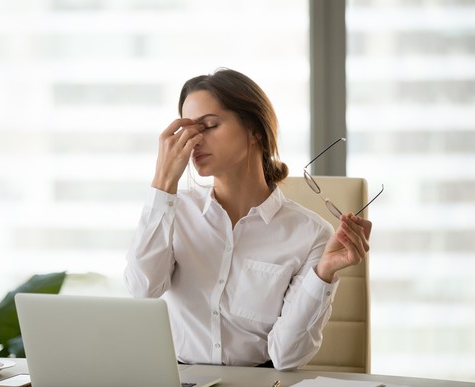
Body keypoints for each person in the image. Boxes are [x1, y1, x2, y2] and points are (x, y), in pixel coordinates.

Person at [124, 68, 372, 370]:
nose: (194, 142)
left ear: (255, 130)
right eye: (188, 131)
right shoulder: (174, 211)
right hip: (179, 377)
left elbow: (286, 356)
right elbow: (143, 289)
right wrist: (163, 183)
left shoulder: (311, 234)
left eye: (210, 125)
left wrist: (323, 274)